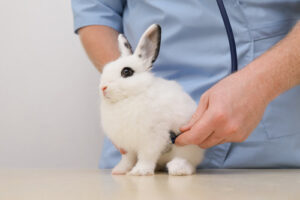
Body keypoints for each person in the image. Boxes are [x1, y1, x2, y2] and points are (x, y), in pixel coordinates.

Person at [71, 0, 300, 169]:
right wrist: (124, 89)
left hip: (269, 148)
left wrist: (261, 84)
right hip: (141, 161)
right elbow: (96, 13)